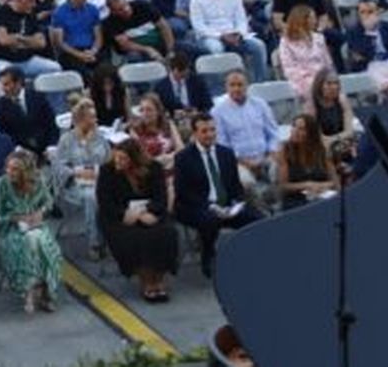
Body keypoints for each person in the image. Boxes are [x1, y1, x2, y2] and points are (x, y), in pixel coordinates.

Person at [175, 115, 262, 278]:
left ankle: (250, 256)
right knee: (210, 220)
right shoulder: (183, 158)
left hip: (227, 205)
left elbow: (235, 186)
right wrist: (212, 207)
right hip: (197, 206)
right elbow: (184, 193)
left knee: (256, 218)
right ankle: (208, 255)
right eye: (204, 131)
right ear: (194, 134)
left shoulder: (226, 153)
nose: (209, 134)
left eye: (213, 130)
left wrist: (236, 204)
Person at [96, 139, 179, 303]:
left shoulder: (154, 168)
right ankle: (147, 281)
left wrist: (146, 212)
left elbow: (160, 198)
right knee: (136, 238)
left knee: (166, 233)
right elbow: (105, 202)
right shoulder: (107, 171)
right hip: (119, 216)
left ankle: (159, 279)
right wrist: (127, 214)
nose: (119, 162)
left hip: (150, 212)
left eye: (123, 159)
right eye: (117, 158)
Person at [0, 149, 63, 313]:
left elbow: (48, 203)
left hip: (36, 225)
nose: (10, 172)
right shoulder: (3, 184)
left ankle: (44, 290)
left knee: (41, 242)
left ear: (26, 171)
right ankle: (31, 291)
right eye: (8, 168)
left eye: (15, 169)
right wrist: (15, 218)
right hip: (11, 230)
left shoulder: (38, 182)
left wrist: (40, 213)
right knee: (30, 243)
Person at [53, 99, 111, 258]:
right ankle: (95, 242)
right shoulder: (66, 139)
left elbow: (108, 160)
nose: (96, 121)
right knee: (90, 196)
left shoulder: (100, 136)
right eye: (92, 118)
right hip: (75, 184)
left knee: (108, 193)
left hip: (100, 180)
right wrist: (76, 172)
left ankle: (112, 237)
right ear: (80, 120)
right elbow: (59, 167)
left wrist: (90, 145)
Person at [276, 114, 338, 211]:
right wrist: (307, 185)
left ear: (311, 133)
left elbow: (335, 182)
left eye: (301, 129)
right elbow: (283, 186)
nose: (295, 131)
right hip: (296, 199)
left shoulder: (322, 150)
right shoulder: (284, 150)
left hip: (321, 196)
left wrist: (321, 186)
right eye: (294, 126)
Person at [0, 66, 58, 154]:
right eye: (2, 85)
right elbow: (2, 132)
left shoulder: (38, 97)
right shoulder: (1, 105)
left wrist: (52, 145)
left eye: (7, 84)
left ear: (18, 83)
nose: (3, 89)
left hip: (45, 147)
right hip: (20, 153)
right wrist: (16, 148)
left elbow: (51, 123)